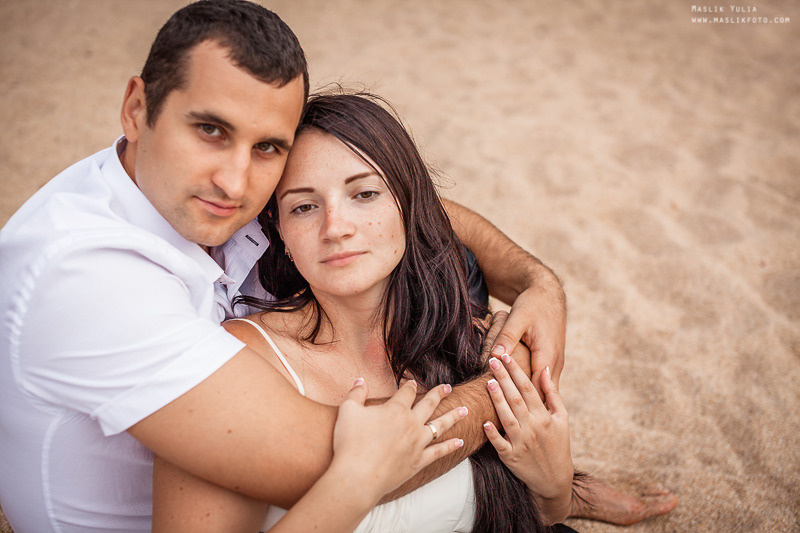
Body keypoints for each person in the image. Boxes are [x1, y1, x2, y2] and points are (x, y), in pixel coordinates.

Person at [0, 2, 574, 531]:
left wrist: (535, 283)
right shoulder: (82, 277)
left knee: (449, 277)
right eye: (210, 130)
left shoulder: (199, 188)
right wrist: (504, 382)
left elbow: (414, 206)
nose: (235, 181)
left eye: (268, 147)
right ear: (136, 108)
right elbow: (334, 461)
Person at [153, 91, 575, 532]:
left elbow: (533, 516)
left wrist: (555, 488)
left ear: (410, 205)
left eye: (365, 193)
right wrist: (355, 484)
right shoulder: (237, 362)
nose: (336, 228)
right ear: (281, 234)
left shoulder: (469, 336)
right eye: (304, 206)